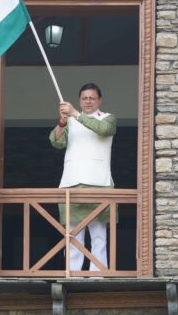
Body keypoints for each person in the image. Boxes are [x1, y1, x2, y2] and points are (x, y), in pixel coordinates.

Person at [49, 83, 116, 273]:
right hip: (71, 183)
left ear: (99, 100)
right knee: (72, 235)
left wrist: (76, 114)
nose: (88, 101)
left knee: (98, 235)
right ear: (79, 100)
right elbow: (56, 142)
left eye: (92, 98)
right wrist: (62, 122)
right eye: (84, 98)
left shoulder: (108, 118)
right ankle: (73, 274)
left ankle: (97, 274)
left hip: (99, 184)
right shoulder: (71, 120)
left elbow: (103, 130)